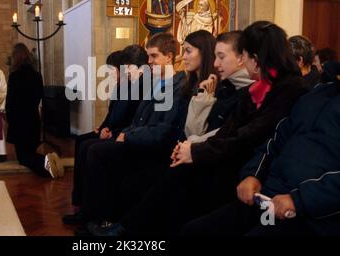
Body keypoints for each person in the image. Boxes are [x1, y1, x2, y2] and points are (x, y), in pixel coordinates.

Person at [92, 21, 308, 236]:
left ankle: (123, 230)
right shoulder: (249, 89)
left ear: (255, 57)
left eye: (223, 56)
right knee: (138, 171)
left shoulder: (286, 90)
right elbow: (227, 130)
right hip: (223, 156)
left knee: (170, 184)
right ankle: (119, 227)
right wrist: (191, 146)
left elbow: (252, 136)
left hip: (246, 169)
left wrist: (194, 149)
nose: (217, 62)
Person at [182, 62, 340, 236]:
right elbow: (276, 139)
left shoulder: (294, 88)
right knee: (195, 230)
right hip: (268, 197)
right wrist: (252, 174)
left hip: (311, 214)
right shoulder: (317, 94)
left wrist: (299, 200)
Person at [80, 32, 188, 230]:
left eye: (154, 56)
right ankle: (93, 214)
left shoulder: (178, 86)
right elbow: (137, 119)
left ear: (169, 57)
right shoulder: (155, 83)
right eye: (148, 57)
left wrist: (127, 135)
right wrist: (125, 133)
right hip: (139, 140)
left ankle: (104, 218)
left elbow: (162, 131)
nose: (149, 62)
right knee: (93, 148)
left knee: (97, 151)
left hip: (156, 149)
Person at [62, 45, 148, 225]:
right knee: (82, 141)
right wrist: (103, 127)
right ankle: (80, 203)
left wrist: (112, 131)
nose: (111, 74)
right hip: (116, 131)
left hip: (126, 136)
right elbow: (113, 114)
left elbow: (130, 120)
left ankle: (92, 210)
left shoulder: (139, 87)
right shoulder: (124, 87)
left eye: (113, 70)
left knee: (89, 147)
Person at [5, 43, 60, 178]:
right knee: (30, 152)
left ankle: (46, 165)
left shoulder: (14, 76)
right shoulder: (37, 75)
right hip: (33, 121)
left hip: (19, 123)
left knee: (23, 158)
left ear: (15, 57)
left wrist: (9, 121)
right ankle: (48, 161)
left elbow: (10, 102)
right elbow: (39, 96)